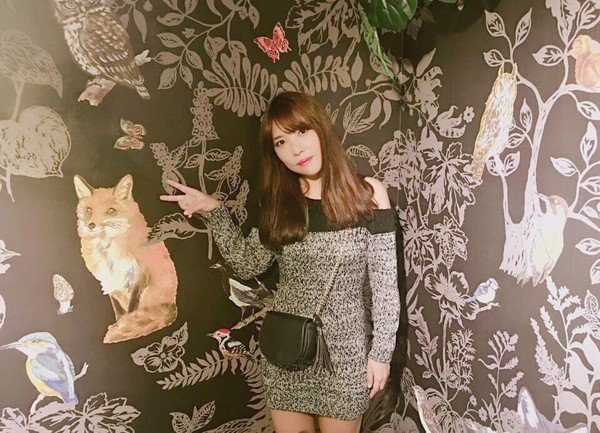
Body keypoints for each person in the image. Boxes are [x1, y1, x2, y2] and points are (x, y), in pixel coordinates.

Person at [160, 91, 400, 433]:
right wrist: (215, 211)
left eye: (301, 131)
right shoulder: (282, 203)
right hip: (286, 351)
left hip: (344, 357)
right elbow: (248, 264)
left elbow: (385, 285)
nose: (295, 149)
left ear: (320, 129)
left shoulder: (369, 194)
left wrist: (380, 355)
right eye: (281, 142)